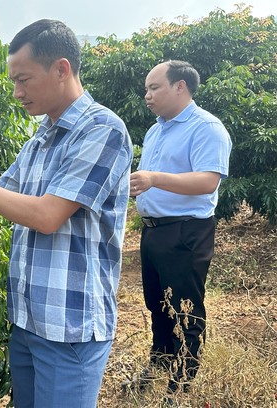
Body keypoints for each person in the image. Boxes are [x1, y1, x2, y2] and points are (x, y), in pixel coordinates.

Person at [0, 19, 133, 408]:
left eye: (24, 80)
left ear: (61, 69)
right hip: (28, 320)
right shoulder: (39, 139)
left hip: (68, 327)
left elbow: (47, 216)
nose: (17, 93)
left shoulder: (103, 130)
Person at [130, 60, 232, 394]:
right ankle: (159, 364)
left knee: (184, 308)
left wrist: (153, 179)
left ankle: (182, 382)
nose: (147, 95)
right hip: (154, 231)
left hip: (185, 231)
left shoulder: (206, 127)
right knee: (157, 303)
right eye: (146, 88)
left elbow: (207, 181)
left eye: (154, 87)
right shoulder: (156, 129)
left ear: (180, 87)